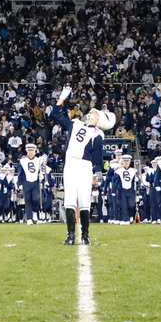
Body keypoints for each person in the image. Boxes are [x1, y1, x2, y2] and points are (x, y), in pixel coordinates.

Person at [49, 86, 106, 245]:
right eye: (91, 112)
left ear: (98, 121)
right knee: (70, 200)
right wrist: (63, 96)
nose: (91, 113)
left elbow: (97, 158)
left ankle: (85, 235)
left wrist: (97, 175)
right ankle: (71, 235)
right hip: (70, 165)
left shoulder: (97, 134)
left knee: (84, 201)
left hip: (85, 167)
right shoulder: (75, 123)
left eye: (95, 114)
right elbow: (55, 114)